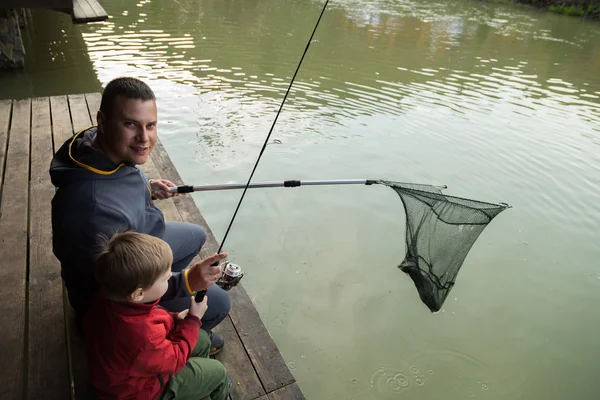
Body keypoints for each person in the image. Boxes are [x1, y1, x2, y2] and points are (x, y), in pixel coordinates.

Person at [50, 76, 230, 353]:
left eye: (151, 125)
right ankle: (167, 342)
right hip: (110, 303)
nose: (144, 139)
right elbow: (119, 289)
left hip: (134, 244)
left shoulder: (96, 146)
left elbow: (116, 182)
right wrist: (186, 281)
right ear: (103, 120)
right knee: (218, 304)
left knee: (195, 235)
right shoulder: (93, 209)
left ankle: (166, 295)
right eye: (131, 124)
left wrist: (146, 187)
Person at [84, 230, 229, 400]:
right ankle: (214, 385)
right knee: (219, 373)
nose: (170, 277)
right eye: (166, 278)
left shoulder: (108, 297)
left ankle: (198, 385)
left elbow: (151, 323)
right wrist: (193, 319)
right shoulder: (142, 336)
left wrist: (176, 318)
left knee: (202, 338)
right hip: (143, 391)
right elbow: (173, 359)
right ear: (138, 294)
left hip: (129, 369)